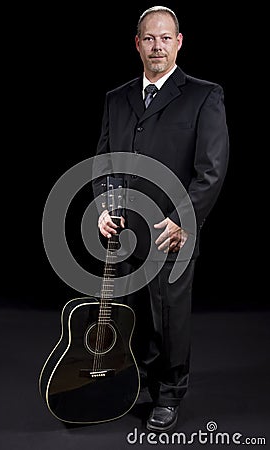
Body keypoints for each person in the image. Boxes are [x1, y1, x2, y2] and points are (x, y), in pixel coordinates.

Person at [92, 6, 229, 432]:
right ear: (137, 43)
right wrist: (102, 207)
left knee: (170, 316)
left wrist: (183, 219)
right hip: (127, 231)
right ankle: (137, 383)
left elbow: (212, 168)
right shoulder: (117, 98)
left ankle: (169, 394)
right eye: (149, 38)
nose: (157, 46)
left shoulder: (204, 95)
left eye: (165, 38)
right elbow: (103, 160)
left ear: (179, 42)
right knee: (132, 314)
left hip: (172, 230)